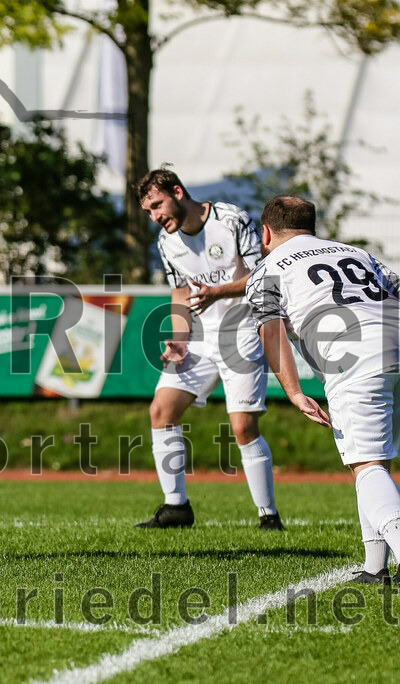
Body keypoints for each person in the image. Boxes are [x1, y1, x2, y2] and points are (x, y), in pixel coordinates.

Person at [247, 195, 400, 583]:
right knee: (375, 462)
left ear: (265, 232)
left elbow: (271, 329)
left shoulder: (266, 268)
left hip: (354, 356)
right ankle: (374, 566)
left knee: (365, 465)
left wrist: (294, 391)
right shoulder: (359, 253)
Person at [135, 168, 282, 529]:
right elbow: (181, 294)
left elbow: (261, 276)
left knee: (243, 427)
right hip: (200, 336)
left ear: (178, 192)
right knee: (161, 410)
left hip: (241, 330)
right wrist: (179, 340)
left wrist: (217, 292)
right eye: (148, 212)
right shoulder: (166, 242)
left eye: (157, 205)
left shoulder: (231, 220)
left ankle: (269, 516)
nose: (155, 216)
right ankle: (176, 508)